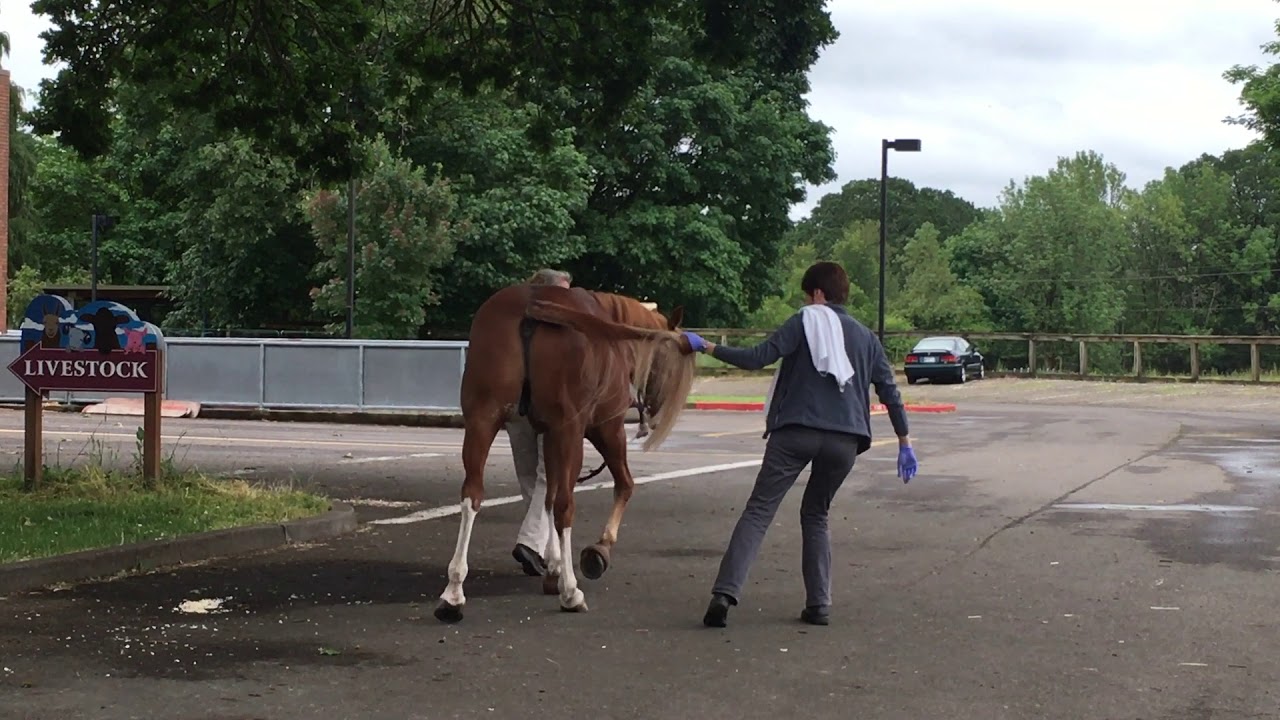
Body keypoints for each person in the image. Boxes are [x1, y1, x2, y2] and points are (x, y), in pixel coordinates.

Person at [681, 261, 919, 628]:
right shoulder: (867, 338)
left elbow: (757, 358)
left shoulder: (805, 321)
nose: (807, 302)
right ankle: (819, 604)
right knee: (816, 514)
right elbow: (889, 391)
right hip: (845, 440)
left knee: (759, 511)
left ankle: (724, 595)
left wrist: (707, 346)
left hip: (795, 431)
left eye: (808, 295)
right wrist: (904, 440)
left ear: (818, 294)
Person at [507, 268, 574, 577]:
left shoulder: (515, 322)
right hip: (548, 409)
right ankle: (531, 544)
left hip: (515, 408)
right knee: (550, 479)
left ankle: (546, 551)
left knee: (530, 479)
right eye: (563, 291)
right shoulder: (558, 330)